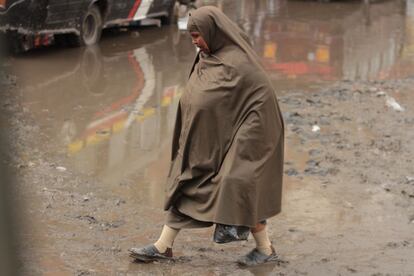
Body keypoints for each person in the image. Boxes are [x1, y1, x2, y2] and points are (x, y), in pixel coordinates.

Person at [129, 6, 284, 266]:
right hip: (211, 134)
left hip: (248, 135)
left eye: (197, 36)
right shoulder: (208, 57)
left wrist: (240, 143)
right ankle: (162, 246)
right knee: (189, 180)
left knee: (238, 184)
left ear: (214, 31)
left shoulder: (240, 62)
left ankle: (265, 250)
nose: (195, 42)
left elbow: (260, 104)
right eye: (192, 37)